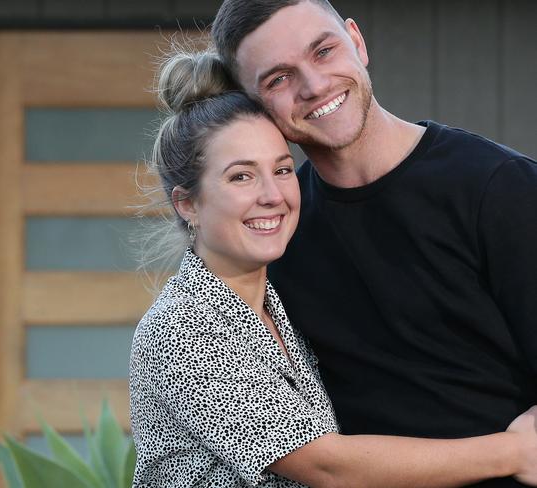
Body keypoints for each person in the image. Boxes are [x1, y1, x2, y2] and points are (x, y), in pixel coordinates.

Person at [129, 48, 537, 487]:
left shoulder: (278, 306)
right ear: (188, 203)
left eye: (282, 170)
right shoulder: (182, 328)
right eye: (241, 176)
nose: (272, 195)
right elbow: (327, 467)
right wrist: (513, 452)